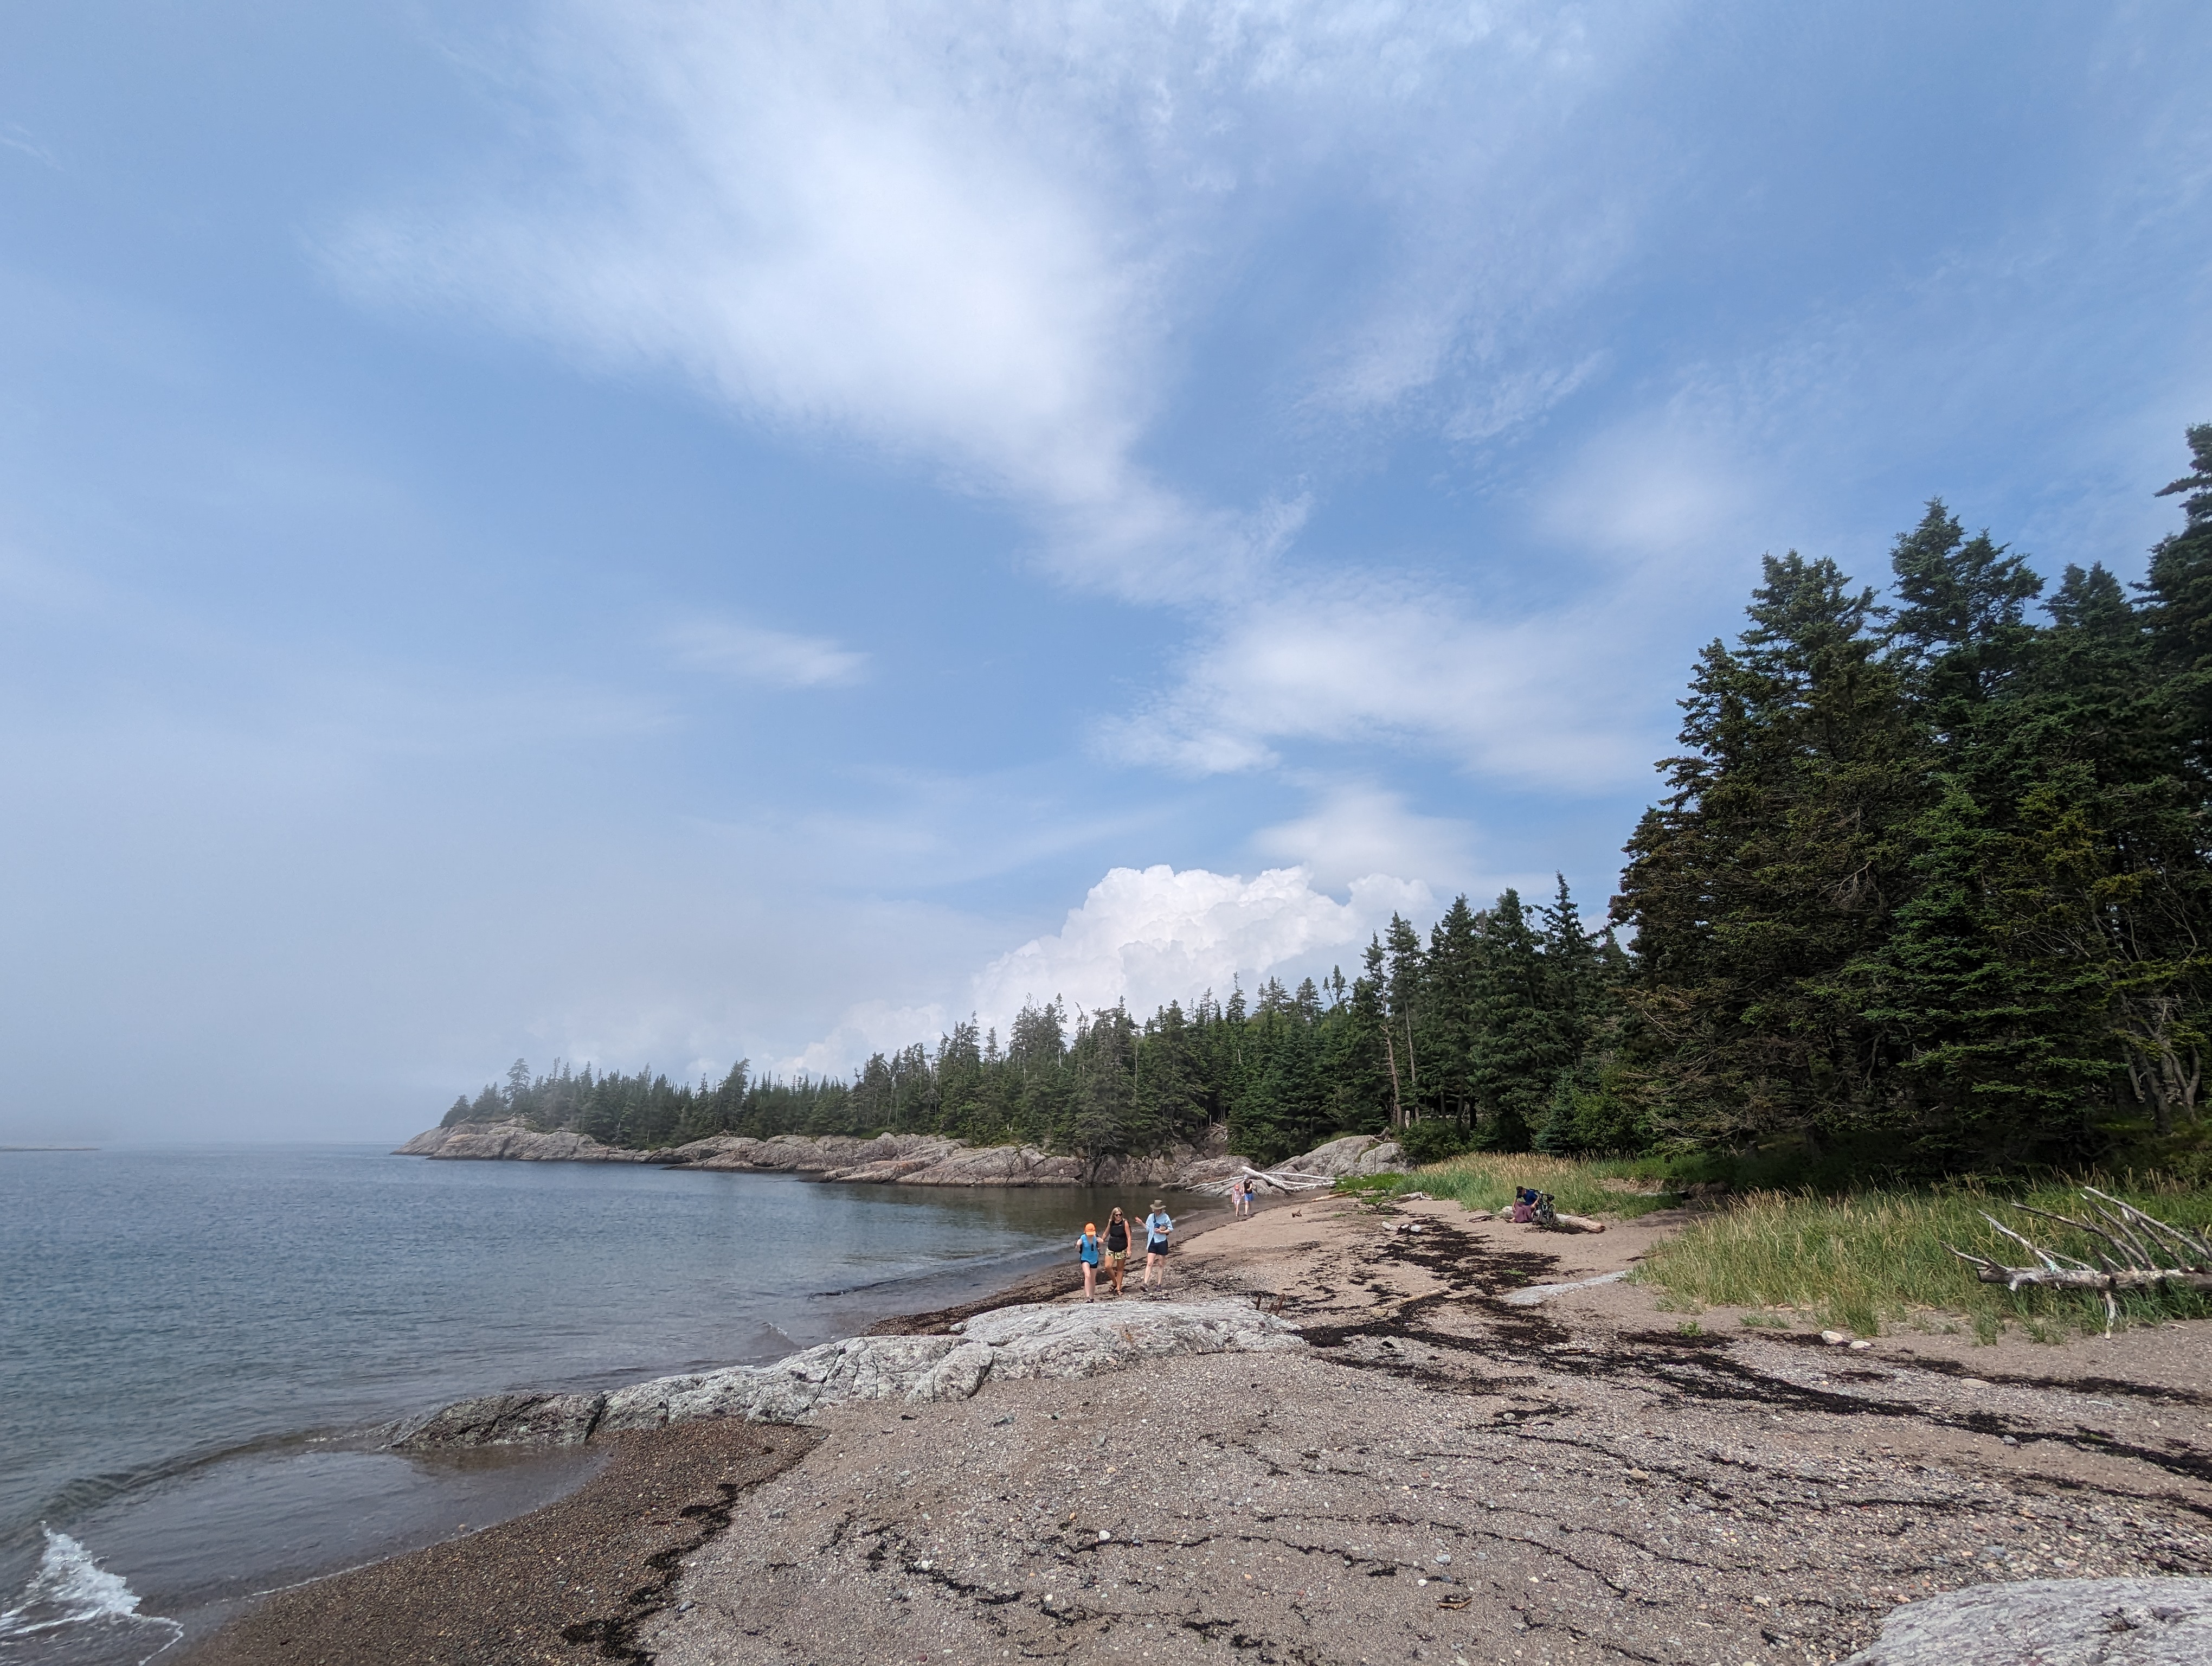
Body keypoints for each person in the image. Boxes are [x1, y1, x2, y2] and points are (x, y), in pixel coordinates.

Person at [1142, 1200, 1175, 1293]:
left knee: (1161, 1264)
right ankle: (1145, 1284)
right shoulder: (1150, 1217)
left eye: (1158, 1210)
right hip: (1152, 1241)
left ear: (1161, 1209)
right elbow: (1148, 1229)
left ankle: (1159, 1284)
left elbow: (1171, 1229)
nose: (1157, 1211)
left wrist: (1162, 1232)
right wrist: (1141, 1223)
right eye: (1156, 1209)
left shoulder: (1165, 1217)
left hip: (1162, 1242)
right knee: (1150, 1263)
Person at [1102, 1207, 1133, 1295]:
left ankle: (1119, 1288)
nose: (1119, 1216)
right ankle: (1114, 1282)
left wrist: (1129, 1249)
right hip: (1111, 1247)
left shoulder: (1125, 1223)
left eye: (1120, 1215)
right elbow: (1106, 1233)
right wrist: (1101, 1241)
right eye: (1117, 1215)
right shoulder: (1111, 1223)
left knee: (1120, 1269)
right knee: (1108, 1266)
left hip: (1122, 1248)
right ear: (1114, 1215)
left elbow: (1129, 1236)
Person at [1076, 1220, 1103, 1301]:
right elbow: (1078, 1250)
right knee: (1088, 1275)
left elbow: (1099, 1246)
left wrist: (1101, 1243)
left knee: (1093, 1278)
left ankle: (1092, 1297)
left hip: (1094, 1259)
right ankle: (1087, 1296)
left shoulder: (1096, 1237)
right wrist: (1078, 1245)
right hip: (1085, 1258)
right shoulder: (1082, 1238)